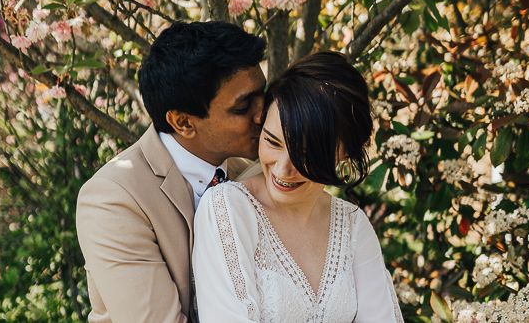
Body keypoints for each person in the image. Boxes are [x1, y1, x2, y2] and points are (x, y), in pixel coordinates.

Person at [193, 51, 404, 322]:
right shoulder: (228, 209)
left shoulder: (352, 226)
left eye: (304, 154)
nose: (282, 169)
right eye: (272, 142)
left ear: (345, 153)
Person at [76, 21, 266, 323]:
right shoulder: (113, 199)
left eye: (263, 94)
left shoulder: (258, 173)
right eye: (243, 107)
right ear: (183, 123)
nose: (264, 113)